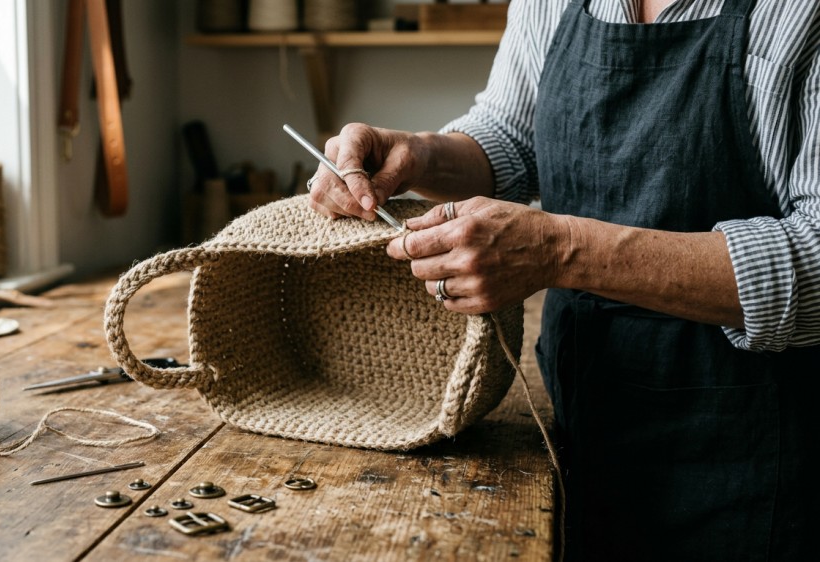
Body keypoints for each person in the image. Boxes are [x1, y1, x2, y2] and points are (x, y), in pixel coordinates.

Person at [304, 0, 820, 560]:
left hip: (758, 459)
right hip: (579, 420)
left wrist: (562, 250)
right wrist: (421, 155)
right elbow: (514, 135)